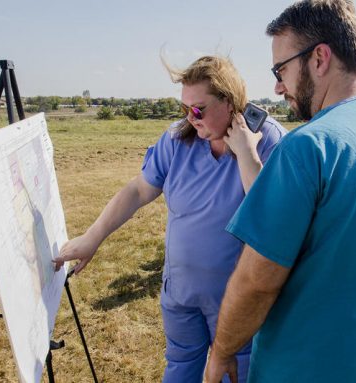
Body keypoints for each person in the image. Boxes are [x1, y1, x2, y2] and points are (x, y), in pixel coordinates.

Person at [205, 1, 356, 382]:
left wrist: (222, 350)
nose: (277, 86)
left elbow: (257, 281)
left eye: (281, 69)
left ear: (320, 58)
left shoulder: (307, 148)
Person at [53, 55, 287, 383]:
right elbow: (137, 190)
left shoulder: (270, 142)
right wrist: (93, 237)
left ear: (230, 102)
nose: (191, 119)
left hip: (238, 303)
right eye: (185, 109)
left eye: (199, 109)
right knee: (180, 370)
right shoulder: (178, 140)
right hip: (181, 293)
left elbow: (272, 217)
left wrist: (246, 154)